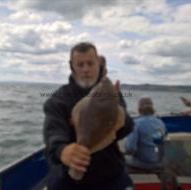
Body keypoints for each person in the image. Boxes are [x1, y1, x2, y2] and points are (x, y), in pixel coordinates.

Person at [43, 42, 134, 190]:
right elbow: (53, 132)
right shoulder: (58, 99)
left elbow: (127, 127)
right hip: (69, 178)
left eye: (90, 63)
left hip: (109, 173)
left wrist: (117, 114)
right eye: (80, 65)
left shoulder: (111, 92)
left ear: (98, 64)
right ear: (72, 67)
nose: (86, 69)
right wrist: (62, 151)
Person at [125, 97, 166, 170]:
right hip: (159, 162)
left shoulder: (136, 123)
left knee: (119, 160)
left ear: (139, 108)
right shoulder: (161, 123)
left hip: (142, 163)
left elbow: (130, 148)